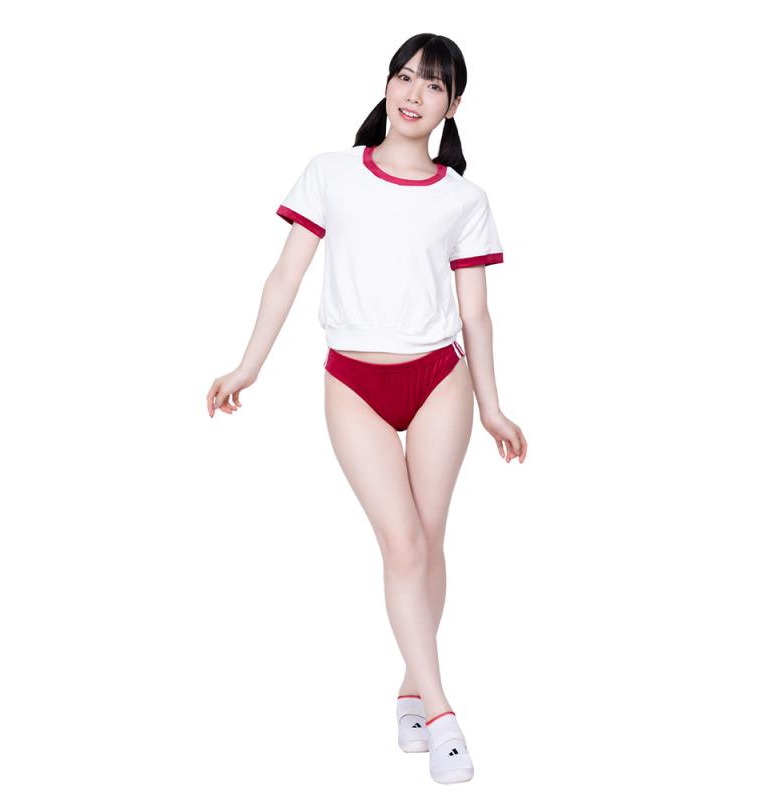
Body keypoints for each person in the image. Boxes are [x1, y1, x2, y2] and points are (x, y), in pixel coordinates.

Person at [206, 33, 527, 785]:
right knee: (402, 543)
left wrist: (493, 407)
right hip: (354, 383)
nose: (415, 94)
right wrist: (248, 365)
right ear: (387, 84)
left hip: (440, 378)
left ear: (454, 105)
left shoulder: (463, 199)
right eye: (405, 77)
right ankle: (441, 712)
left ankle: (412, 688)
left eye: (434, 85)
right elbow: (284, 278)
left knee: (429, 541)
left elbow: (476, 315)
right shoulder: (331, 173)